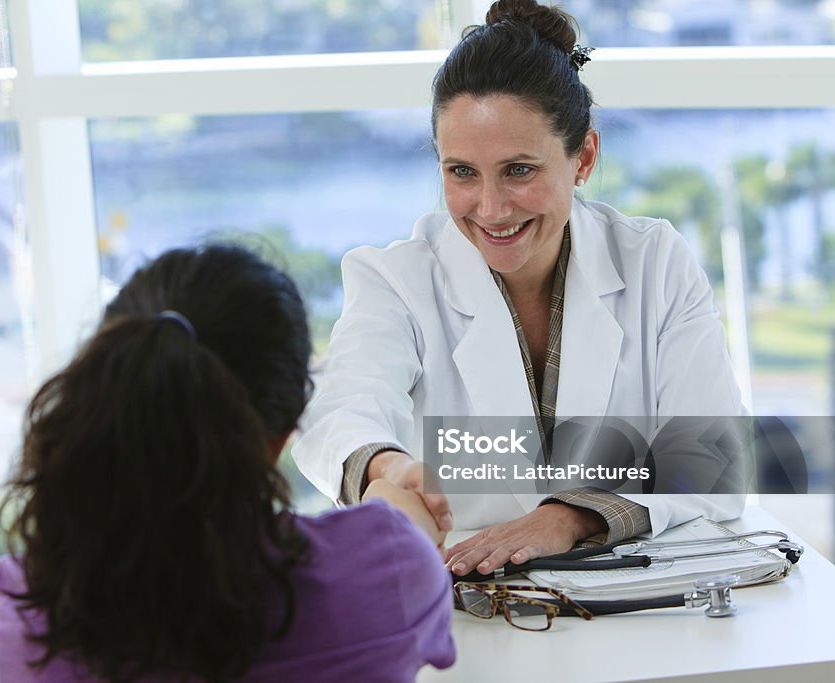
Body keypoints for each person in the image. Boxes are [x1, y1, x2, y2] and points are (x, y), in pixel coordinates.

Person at [293, 0, 745, 579]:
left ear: (583, 157)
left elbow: (715, 455)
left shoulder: (654, 261)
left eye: (519, 170)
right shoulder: (395, 280)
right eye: (462, 172)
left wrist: (573, 516)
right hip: (474, 605)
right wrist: (385, 466)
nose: (490, 208)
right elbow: (338, 413)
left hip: (636, 597)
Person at [0, 244, 454, 682]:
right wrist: (389, 497)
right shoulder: (383, 574)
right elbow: (413, 530)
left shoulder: (19, 621)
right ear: (282, 436)